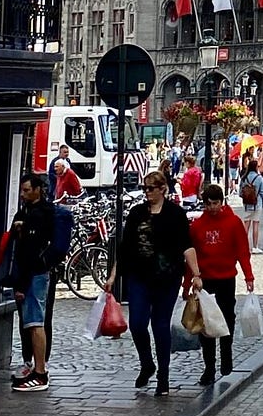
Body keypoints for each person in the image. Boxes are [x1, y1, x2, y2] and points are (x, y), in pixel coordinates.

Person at [108, 169, 202, 395]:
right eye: (145, 188)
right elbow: (125, 248)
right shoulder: (137, 213)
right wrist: (113, 275)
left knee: (160, 325)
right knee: (138, 324)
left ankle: (164, 375)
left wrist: (196, 274)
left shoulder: (175, 214)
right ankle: (147, 363)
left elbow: (186, 245)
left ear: (163, 189)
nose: (147, 192)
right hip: (139, 276)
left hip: (167, 277)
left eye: (151, 188)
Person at [187, 182, 253, 385]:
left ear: (221, 202)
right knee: (206, 323)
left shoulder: (233, 223)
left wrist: (248, 276)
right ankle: (209, 366)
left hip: (226, 277)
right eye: (208, 204)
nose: (212, 208)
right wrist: (187, 282)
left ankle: (226, 354)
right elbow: (191, 255)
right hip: (205, 279)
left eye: (215, 203)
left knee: (227, 318)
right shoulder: (198, 226)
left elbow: (242, 251)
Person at [9, 174, 55, 392]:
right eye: (22, 190)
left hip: (34, 274)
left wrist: (21, 284)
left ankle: (40, 371)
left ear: (38, 189)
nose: (23, 194)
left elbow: (30, 250)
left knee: (36, 323)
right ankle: (35, 366)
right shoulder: (26, 210)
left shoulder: (41, 214)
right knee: (31, 322)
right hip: (31, 273)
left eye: (27, 190)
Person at [238, 157, 263, 254]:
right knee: (255, 225)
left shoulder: (244, 178)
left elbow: (240, 193)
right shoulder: (259, 178)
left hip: (246, 204)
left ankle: (244, 246)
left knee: (246, 225)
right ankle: (255, 246)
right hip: (257, 204)